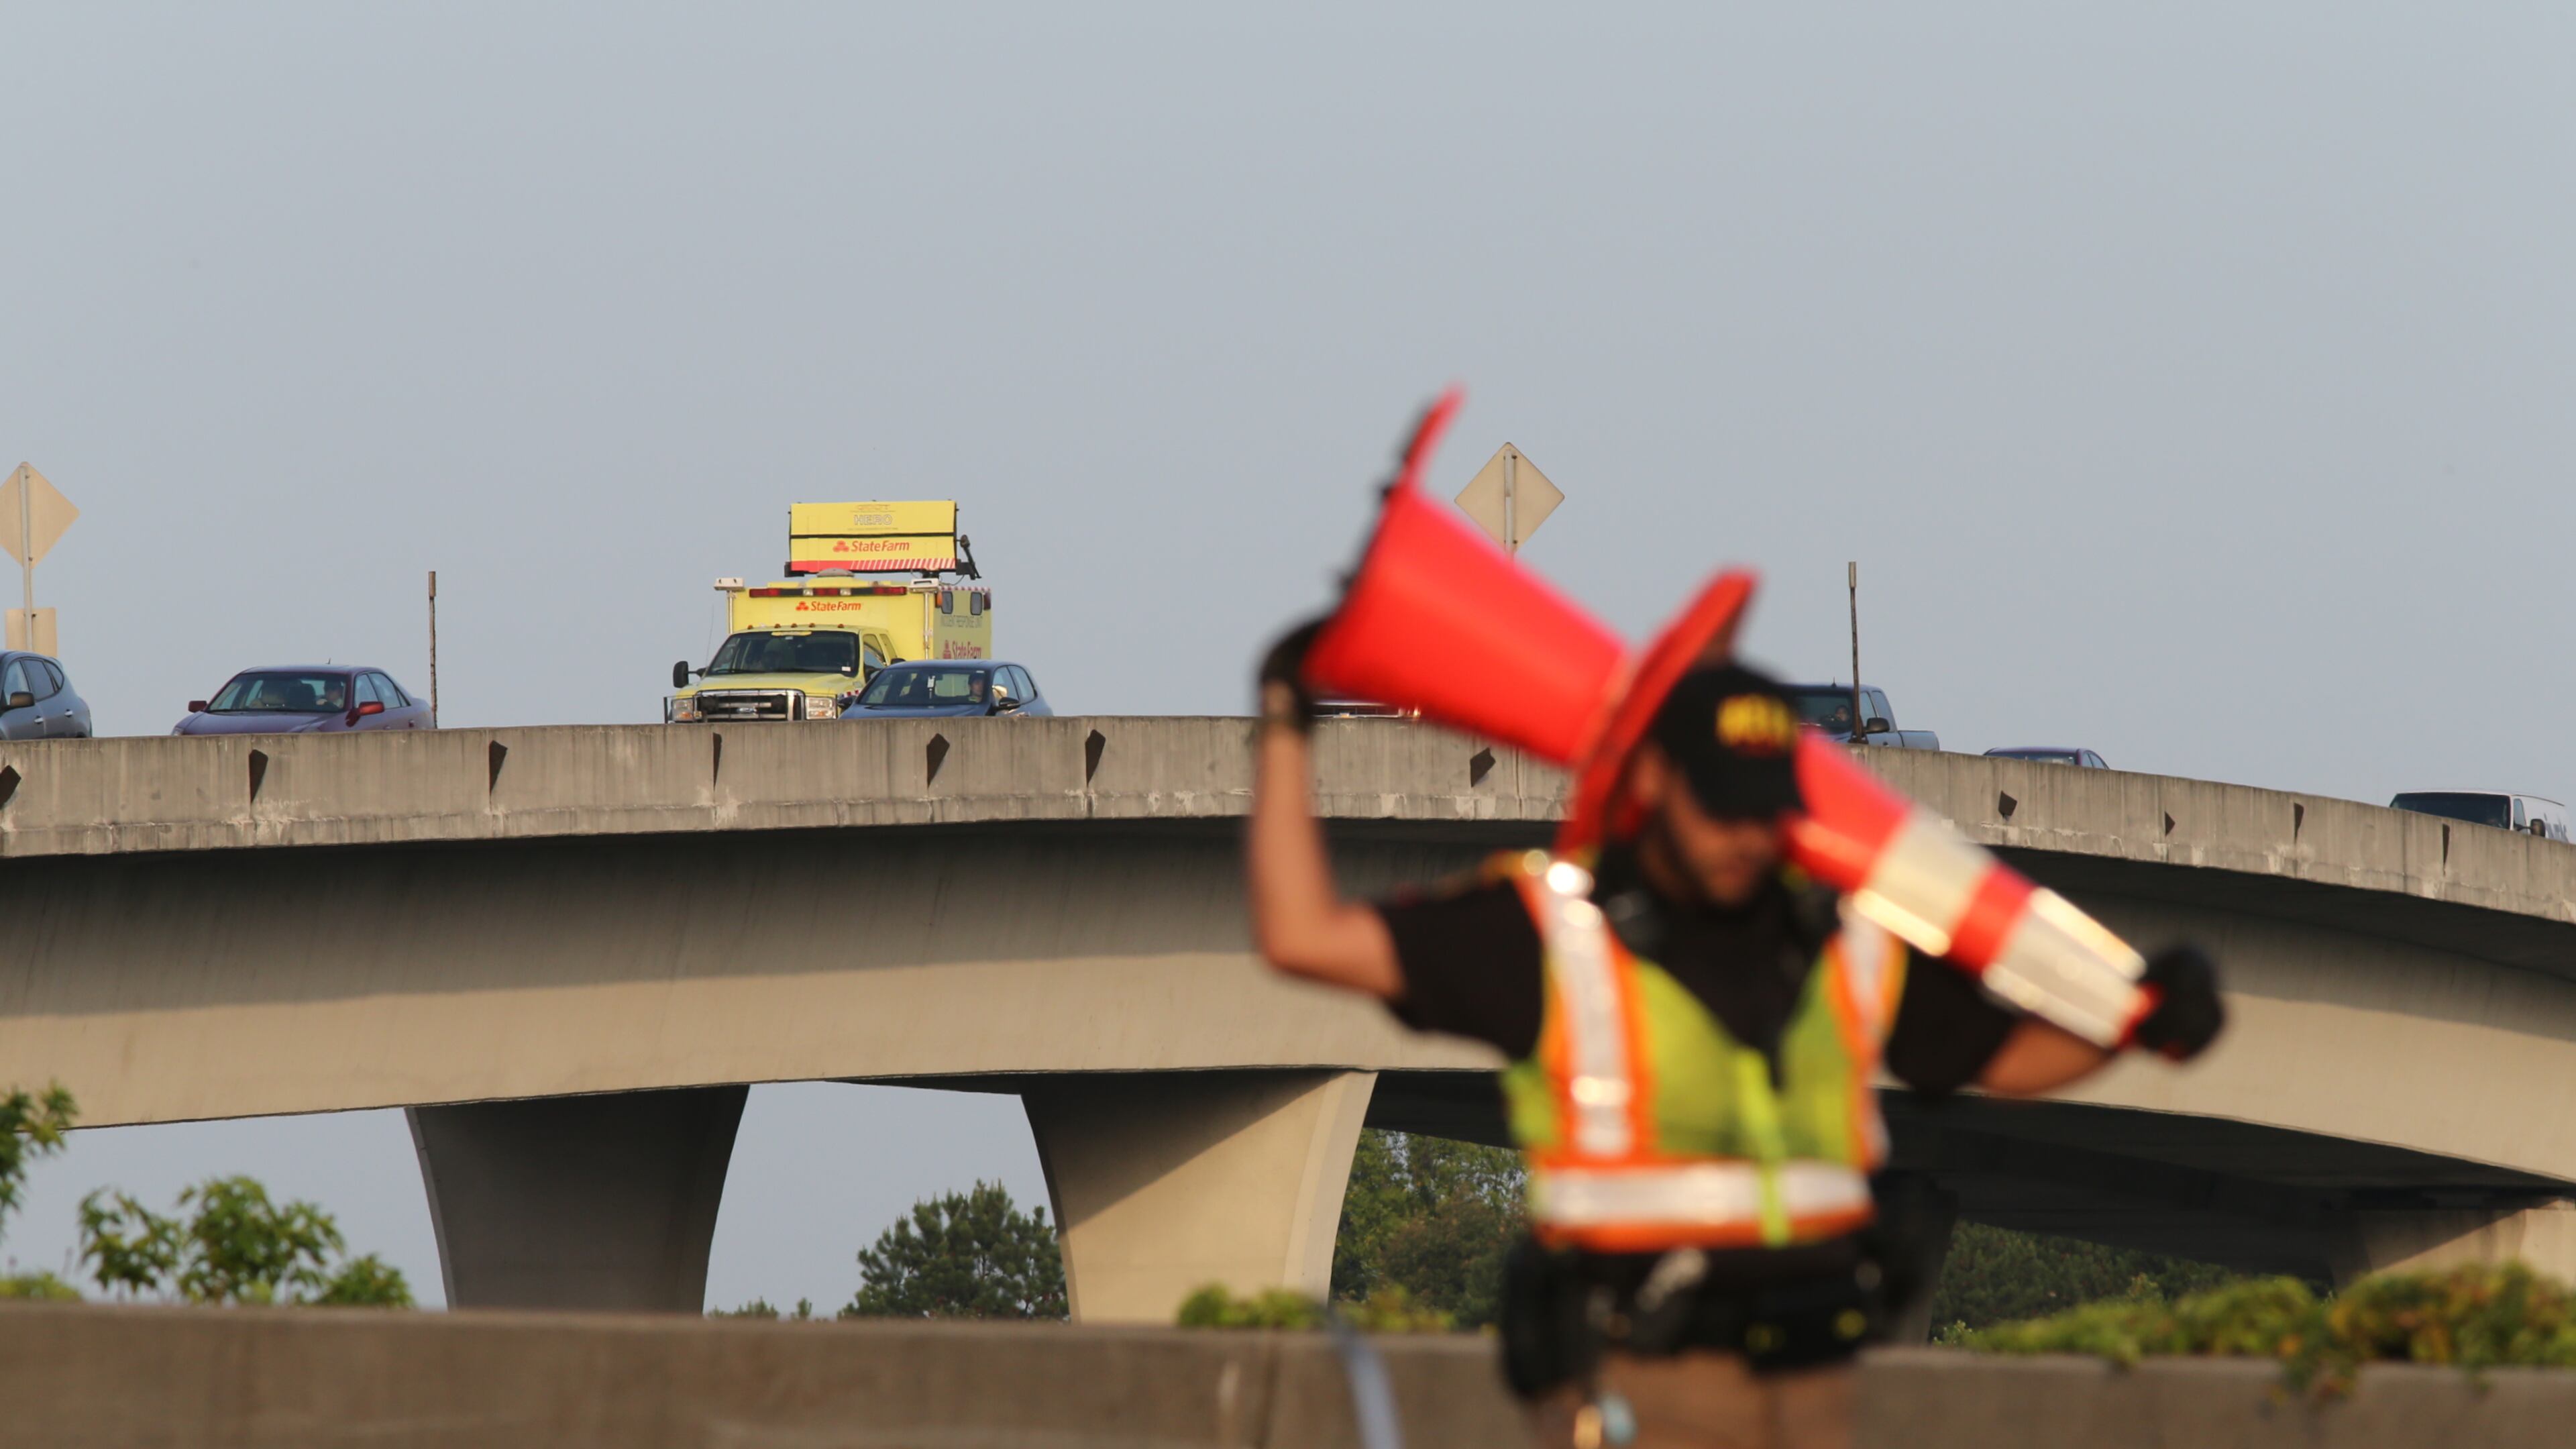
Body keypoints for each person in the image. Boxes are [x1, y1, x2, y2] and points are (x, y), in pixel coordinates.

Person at [1246, 645, 2223, 1449]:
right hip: (1639, 1387)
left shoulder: (1847, 938)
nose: (1746, 837)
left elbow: (2003, 1059)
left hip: (1820, 1389)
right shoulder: (1555, 934)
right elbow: (1303, 936)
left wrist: (2134, 1026)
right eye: (1722, 805)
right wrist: (1288, 732)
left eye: (1765, 806)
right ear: (1658, 782)